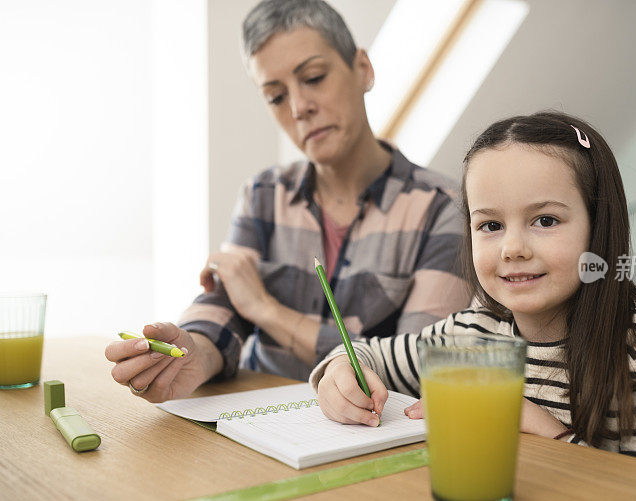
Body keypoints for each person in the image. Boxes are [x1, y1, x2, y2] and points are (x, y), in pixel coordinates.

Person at [104, 0, 470, 401]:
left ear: (362, 69)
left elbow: (419, 363)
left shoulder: (445, 208)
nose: (299, 107)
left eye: (313, 77)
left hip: (374, 436)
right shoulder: (263, 194)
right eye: (276, 97)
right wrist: (192, 353)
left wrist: (265, 309)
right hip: (262, 425)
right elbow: (224, 307)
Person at [312, 111, 636, 470]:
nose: (512, 248)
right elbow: (363, 352)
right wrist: (342, 373)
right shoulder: (470, 333)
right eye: (490, 225)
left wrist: (540, 425)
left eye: (545, 220)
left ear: (597, 226)